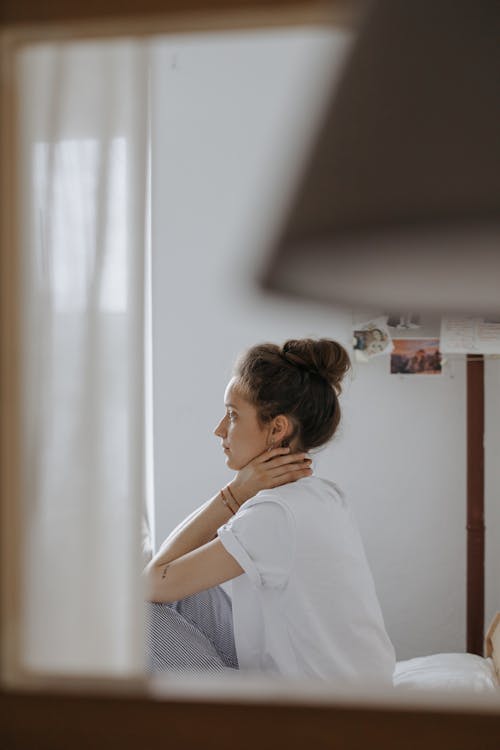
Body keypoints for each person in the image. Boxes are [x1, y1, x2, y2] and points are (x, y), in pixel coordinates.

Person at [143, 338, 395, 683]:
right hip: (349, 701)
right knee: (186, 590)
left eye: (232, 415)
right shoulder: (322, 494)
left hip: (313, 721)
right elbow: (165, 573)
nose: (219, 430)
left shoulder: (274, 514)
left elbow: (151, 584)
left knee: (133, 608)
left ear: (277, 429)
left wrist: (234, 493)